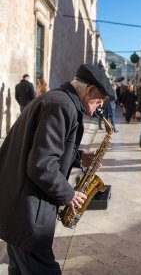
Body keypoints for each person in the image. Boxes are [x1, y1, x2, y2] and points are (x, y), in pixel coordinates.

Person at [0, 64, 114, 274]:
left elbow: (43, 148)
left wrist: (79, 157)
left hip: (17, 205)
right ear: (89, 91)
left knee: (17, 268)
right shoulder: (62, 107)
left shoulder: (57, 99)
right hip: (28, 212)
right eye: (100, 100)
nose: (100, 106)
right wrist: (69, 194)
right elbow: (42, 166)